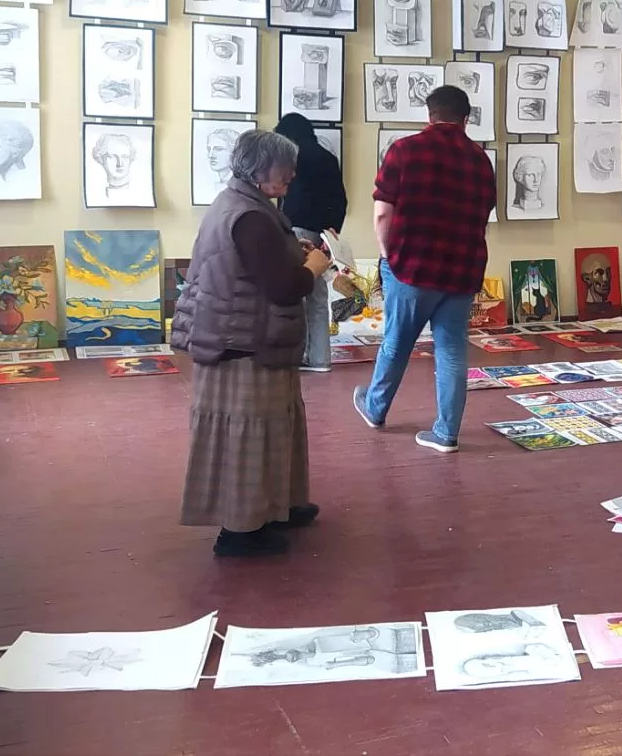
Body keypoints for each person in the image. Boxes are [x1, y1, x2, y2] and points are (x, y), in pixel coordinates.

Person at [173, 129, 333, 557]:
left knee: (272, 429)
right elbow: (283, 288)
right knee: (247, 438)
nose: (292, 175)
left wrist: (291, 249)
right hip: (242, 344)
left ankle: (275, 507)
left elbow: (259, 261)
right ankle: (240, 532)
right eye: (285, 168)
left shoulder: (240, 202)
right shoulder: (250, 216)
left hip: (243, 335)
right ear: (260, 169)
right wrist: (314, 267)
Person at [353, 85, 496, 453]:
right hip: (462, 271)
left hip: (412, 268)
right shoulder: (481, 161)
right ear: (466, 119)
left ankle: (375, 408)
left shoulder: (404, 151)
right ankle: (447, 433)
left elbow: (383, 213)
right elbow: (482, 218)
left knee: (397, 342)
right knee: (452, 350)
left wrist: (388, 255)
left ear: (429, 116)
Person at [273, 113, 348, 373]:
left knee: (294, 293)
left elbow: (287, 198)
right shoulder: (328, 157)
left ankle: (295, 356)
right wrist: (331, 229)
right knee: (317, 296)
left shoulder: (291, 156)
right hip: (321, 232)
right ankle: (320, 358)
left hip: (296, 230)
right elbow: (341, 200)